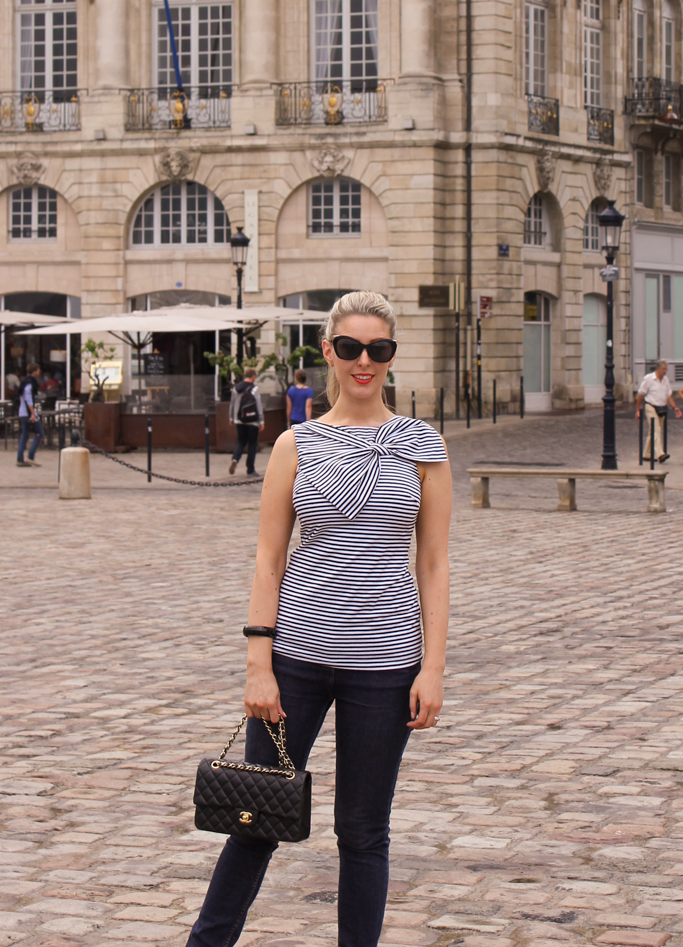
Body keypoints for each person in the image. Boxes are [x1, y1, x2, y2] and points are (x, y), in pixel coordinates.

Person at [186, 291, 452, 947]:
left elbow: (436, 565)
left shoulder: (423, 445)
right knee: (256, 822)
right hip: (296, 659)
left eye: (379, 350)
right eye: (353, 348)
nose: (365, 362)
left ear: (392, 356)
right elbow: (270, 559)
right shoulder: (294, 444)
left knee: (363, 833)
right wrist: (258, 663)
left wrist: (434, 668)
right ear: (330, 353)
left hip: (386, 666)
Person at [635, 359, 682, 464]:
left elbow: (668, 395)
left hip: (661, 408)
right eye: (663, 369)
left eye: (666, 369)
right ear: (658, 368)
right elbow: (640, 394)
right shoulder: (649, 379)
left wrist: (674, 407)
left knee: (654, 431)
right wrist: (637, 409)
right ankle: (660, 454)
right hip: (650, 406)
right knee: (656, 429)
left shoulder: (666, 380)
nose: (665, 371)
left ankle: (646, 454)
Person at [229, 366, 264, 477]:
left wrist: (231, 418)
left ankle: (235, 459)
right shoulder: (254, 389)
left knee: (241, 442)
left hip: (239, 420)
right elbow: (258, 405)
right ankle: (250, 469)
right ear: (253, 376)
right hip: (252, 421)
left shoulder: (236, 388)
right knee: (252, 444)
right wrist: (261, 421)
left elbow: (232, 404)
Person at [16, 362, 43, 467]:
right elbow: (28, 398)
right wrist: (32, 413)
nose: (39, 372)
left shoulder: (24, 381)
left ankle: (20, 458)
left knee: (25, 435)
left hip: (22, 412)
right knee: (40, 434)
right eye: (38, 370)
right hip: (28, 413)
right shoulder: (30, 383)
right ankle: (30, 456)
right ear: (35, 372)